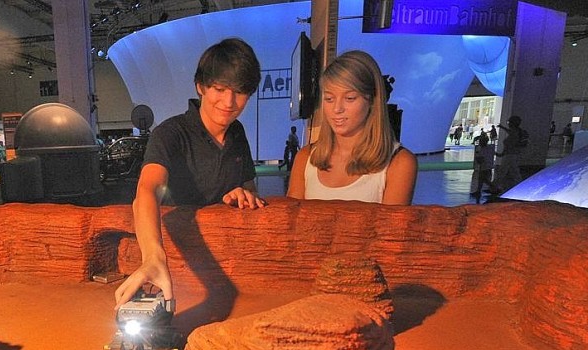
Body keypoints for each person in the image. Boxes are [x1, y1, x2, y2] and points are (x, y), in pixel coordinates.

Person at [114, 38, 265, 308]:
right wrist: (152, 257)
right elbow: (147, 191)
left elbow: (249, 185)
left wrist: (245, 193)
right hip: (175, 266)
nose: (229, 102)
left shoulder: (237, 133)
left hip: (228, 263)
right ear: (201, 87)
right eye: (219, 89)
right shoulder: (170, 134)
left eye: (240, 92)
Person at [286, 50, 417, 205]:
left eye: (349, 98)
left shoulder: (400, 163)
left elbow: (390, 228)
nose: (337, 108)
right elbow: (291, 224)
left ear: (372, 100)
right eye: (329, 98)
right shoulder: (305, 158)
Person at [493, 115, 525, 193]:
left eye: (509, 122)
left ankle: (495, 187)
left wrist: (501, 154)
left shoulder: (514, 133)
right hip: (514, 155)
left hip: (510, 155)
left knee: (502, 172)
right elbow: (509, 132)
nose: (508, 123)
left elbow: (509, 146)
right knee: (514, 172)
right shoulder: (517, 132)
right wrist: (502, 127)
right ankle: (521, 187)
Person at [469, 134, 495, 202]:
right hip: (488, 166)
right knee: (482, 179)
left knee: (482, 179)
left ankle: (493, 187)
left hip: (483, 166)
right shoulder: (489, 148)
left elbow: (480, 159)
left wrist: (478, 160)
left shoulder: (481, 149)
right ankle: (478, 191)